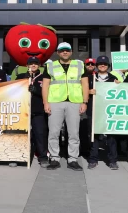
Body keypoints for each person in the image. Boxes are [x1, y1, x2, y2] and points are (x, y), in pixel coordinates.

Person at [42, 42, 87, 171]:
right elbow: (45, 85)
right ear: (58, 53)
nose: (65, 52)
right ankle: (54, 158)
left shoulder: (79, 65)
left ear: (71, 52)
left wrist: (85, 102)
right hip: (55, 102)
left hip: (74, 102)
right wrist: (46, 103)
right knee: (54, 132)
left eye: (67, 50)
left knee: (74, 133)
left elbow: (84, 84)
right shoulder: (50, 66)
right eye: (62, 50)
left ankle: (73, 159)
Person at [83, 55, 120, 170]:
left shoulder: (113, 79)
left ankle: (112, 160)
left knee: (111, 137)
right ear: (97, 66)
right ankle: (93, 159)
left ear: (108, 66)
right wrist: (88, 91)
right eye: (100, 64)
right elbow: (81, 91)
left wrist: (119, 86)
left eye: (105, 64)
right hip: (94, 111)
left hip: (109, 112)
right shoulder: (90, 78)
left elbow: (121, 94)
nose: (102, 66)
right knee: (94, 136)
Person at [17, 56, 49, 168]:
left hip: (38, 110)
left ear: (39, 65)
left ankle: (43, 157)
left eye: (36, 63)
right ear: (27, 65)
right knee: (21, 134)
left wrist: (37, 91)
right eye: (31, 63)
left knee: (40, 134)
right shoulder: (21, 76)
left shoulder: (44, 77)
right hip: (23, 110)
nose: (33, 65)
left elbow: (48, 93)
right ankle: (19, 157)